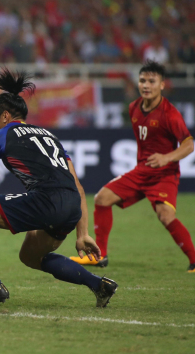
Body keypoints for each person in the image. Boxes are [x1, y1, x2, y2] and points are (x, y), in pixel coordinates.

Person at [0, 68, 117, 309]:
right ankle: (98, 285)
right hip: (71, 207)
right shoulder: (49, 136)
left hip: (45, 200)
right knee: (30, 256)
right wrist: (82, 234)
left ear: (6, 116)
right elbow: (79, 187)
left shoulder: (2, 135)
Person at [70, 61, 195, 272]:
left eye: (151, 81)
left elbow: (188, 144)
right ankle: (100, 255)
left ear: (162, 85)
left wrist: (167, 158)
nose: (146, 85)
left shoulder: (170, 114)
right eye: (142, 80)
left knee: (165, 216)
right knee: (102, 198)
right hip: (141, 171)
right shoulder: (133, 107)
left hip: (164, 174)